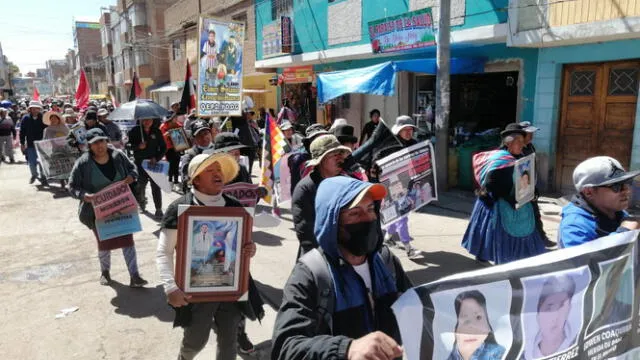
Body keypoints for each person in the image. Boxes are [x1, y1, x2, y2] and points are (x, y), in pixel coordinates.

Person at [272, 176, 412, 360]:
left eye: (370, 209)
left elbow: (419, 309)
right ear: (332, 222)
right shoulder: (310, 273)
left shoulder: (386, 261)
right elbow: (286, 346)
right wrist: (347, 349)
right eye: (354, 213)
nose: (367, 218)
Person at [157, 152, 264, 360]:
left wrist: (250, 249)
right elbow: (164, 251)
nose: (218, 175)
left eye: (219, 170)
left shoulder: (235, 207)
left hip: (230, 289)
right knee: (195, 341)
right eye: (210, 171)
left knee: (229, 341)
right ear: (196, 178)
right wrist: (170, 287)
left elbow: (241, 245)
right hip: (196, 292)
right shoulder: (180, 208)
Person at [68, 128, 148, 287]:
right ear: (89, 146)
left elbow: (133, 169)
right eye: (94, 143)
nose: (99, 146)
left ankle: (134, 276)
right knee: (104, 242)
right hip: (97, 212)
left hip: (122, 208)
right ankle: (105, 272)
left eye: (102, 141)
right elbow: (72, 187)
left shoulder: (118, 156)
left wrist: (131, 177)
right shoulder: (83, 163)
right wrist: (85, 195)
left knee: (127, 241)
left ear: (106, 141)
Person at [462, 123, 546, 264]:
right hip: (497, 203)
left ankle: (518, 257)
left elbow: (524, 179)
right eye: (518, 141)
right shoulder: (500, 160)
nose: (522, 145)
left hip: (516, 200)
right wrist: (511, 198)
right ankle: (495, 258)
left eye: (522, 141)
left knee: (523, 230)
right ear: (509, 143)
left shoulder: (519, 158)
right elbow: (491, 186)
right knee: (494, 234)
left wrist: (531, 190)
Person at [558, 156, 640, 248]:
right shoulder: (575, 226)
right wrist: (624, 233)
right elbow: (584, 260)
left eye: (627, 182)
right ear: (589, 192)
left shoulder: (614, 211)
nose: (626, 190)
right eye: (616, 186)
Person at [292, 135, 352, 257]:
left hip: (347, 254)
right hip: (318, 257)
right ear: (321, 160)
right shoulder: (305, 188)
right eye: (334, 155)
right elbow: (307, 235)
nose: (340, 159)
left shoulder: (346, 183)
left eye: (341, 154)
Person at [376, 116, 420, 258]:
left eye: (410, 129)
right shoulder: (390, 146)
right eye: (405, 130)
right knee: (402, 216)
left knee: (397, 215)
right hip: (394, 186)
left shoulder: (415, 144)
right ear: (398, 131)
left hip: (411, 184)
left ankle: (387, 238)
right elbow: (379, 163)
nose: (408, 132)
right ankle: (408, 247)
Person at [518, 121, 556, 248]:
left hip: (530, 188)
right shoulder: (516, 149)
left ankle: (541, 238)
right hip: (519, 190)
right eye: (529, 134)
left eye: (532, 133)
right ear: (522, 134)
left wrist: (534, 187)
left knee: (535, 214)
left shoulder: (530, 147)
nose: (532, 136)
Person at [524, 275, 576, 359]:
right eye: (549, 308)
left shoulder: (581, 345)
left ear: (569, 308)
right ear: (538, 315)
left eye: (561, 306)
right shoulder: (524, 354)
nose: (556, 316)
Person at [447, 290, 505, 360]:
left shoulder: (501, 355)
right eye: (466, 321)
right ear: (455, 328)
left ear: (488, 324)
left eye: (478, 317)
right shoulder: (442, 355)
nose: (472, 328)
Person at [128, 117, 167, 218]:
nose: (147, 122)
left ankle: (158, 209)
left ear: (153, 120)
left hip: (153, 163)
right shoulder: (134, 131)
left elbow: (163, 147)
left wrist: (157, 158)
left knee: (156, 186)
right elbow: (128, 145)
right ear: (140, 120)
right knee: (141, 185)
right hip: (140, 163)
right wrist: (138, 146)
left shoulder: (156, 131)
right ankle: (141, 203)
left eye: (149, 119)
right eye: (144, 119)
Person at [287, 124, 330, 195]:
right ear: (310, 142)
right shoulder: (302, 161)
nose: (322, 143)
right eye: (317, 139)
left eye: (324, 139)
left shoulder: (330, 157)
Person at [180, 120, 215, 192]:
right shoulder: (190, 155)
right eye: (199, 135)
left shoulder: (219, 150)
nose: (204, 137)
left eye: (206, 133)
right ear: (194, 138)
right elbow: (186, 179)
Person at [19, 100, 47, 184]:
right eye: (33, 108)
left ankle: (43, 177)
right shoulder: (25, 118)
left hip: (42, 144)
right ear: (30, 109)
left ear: (39, 109)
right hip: (30, 144)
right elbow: (22, 131)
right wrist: (22, 143)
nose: (35, 110)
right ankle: (34, 175)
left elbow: (47, 130)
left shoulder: (43, 118)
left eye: (37, 108)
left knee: (43, 162)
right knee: (32, 162)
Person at [160, 112, 184, 191]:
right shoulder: (163, 126)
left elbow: (182, 132)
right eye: (174, 118)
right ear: (170, 118)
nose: (176, 119)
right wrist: (165, 135)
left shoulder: (178, 125)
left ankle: (176, 182)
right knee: (171, 165)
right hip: (168, 148)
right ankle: (170, 181)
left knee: (176, 165)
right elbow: (160, 138)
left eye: (176, 117)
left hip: (177, 147)